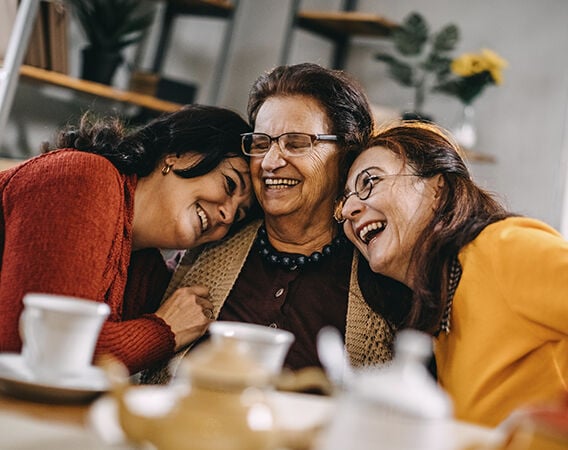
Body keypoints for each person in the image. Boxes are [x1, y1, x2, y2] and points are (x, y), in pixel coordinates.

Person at [143, 62, 394, 384]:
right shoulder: (206, 245)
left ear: (346, 152)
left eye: (297, 143)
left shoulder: (379, 265)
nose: (271, 163)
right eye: (261, 143)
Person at [335, 120, 568, 427]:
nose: (351, 209)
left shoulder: (502, 247)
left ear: (437, 189)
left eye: (370, 183)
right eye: (345, 202)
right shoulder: (437, 308)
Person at [0, 105, 255, 374]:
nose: (227, 215)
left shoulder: (143, 266)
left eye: (239, 215)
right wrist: (163, 331)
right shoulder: (83, 178)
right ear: (179, 155)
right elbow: (35, 352)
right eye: (229, 184)